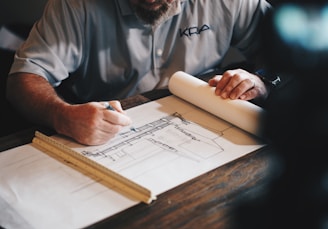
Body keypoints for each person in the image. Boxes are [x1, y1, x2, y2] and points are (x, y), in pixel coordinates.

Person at [6, 0, 272, 146]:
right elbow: (23, 78)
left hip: (209, 133)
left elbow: (294, 54)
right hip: (106, 134)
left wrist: (261, 79)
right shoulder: (75, 5)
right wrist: (61, 115)